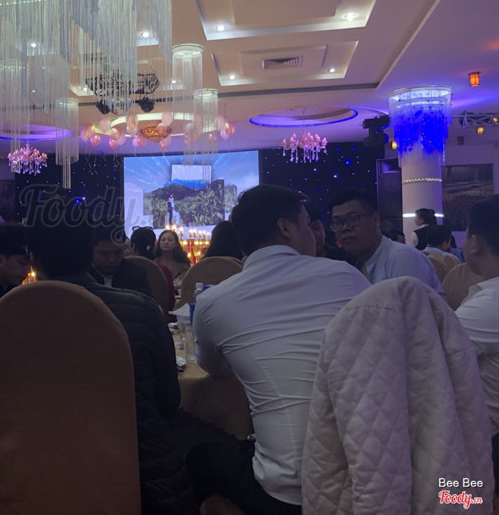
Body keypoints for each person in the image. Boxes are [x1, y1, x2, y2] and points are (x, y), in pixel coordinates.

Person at [188, 185, 371, 515]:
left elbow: (214, 368)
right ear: (286, 227)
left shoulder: (212, 302)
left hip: (286, 490)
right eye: (306, 224)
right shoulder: (348, 277)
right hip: (364, 472)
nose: (313, 234)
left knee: (198, 454)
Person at [26, 200, 197, 514]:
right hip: (142, 473)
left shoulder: (10, 317)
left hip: (35, 474)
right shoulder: (143, 310)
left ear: (32, 258)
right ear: (90, 252)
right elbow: (168, 401)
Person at [455, 195, 499, 492]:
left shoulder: (488, 305)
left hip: (485, 452)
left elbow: (424, 357)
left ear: (475, 242)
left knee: (454, 499)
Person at [328, 189, 442, 291]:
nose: (345, 228)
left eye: (352, 219)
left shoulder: (403, 258)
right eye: (338, 222)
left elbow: (416, 307)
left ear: (376, 219)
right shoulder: (353, 265)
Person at [90, 221, 152, 297]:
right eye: (105, 254)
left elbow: (147, 303)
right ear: (91, 250)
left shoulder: (136, 276)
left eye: (118, 253)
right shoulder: (81, 276)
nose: (112, 260)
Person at [130, 226, 174, 310]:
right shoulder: (163, 270)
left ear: (133, 246)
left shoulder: (120, 268)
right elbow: (170, 304)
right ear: (154, 247)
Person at [305, 203, 360, 268]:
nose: (313, 236)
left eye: (316, 228)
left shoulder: (345, 258)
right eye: (306, 231)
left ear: (323, 227)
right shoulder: (297, 266)